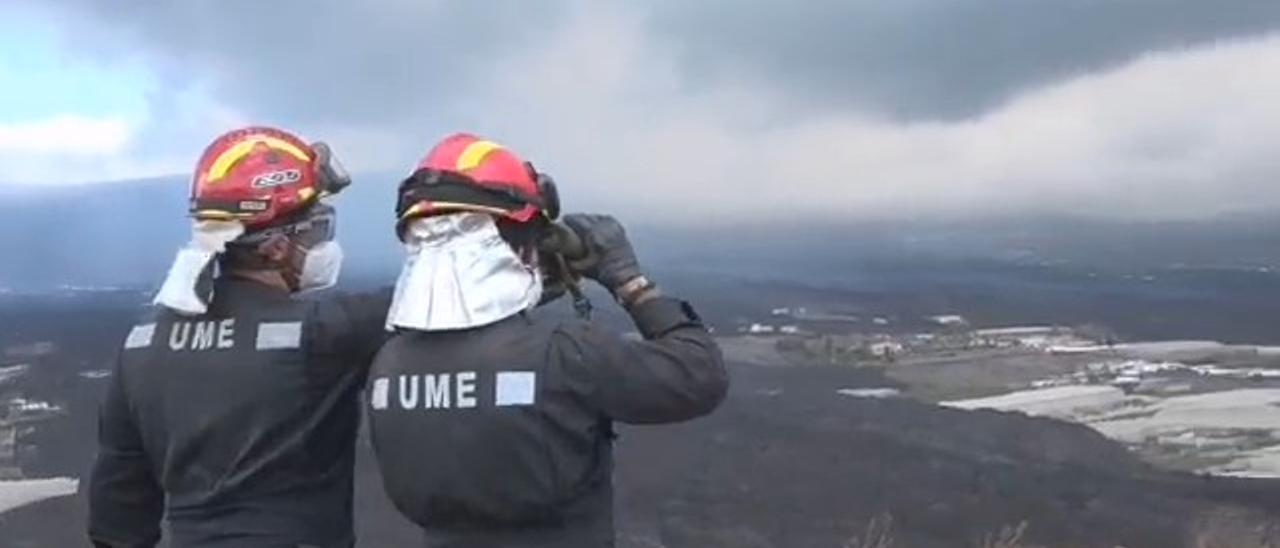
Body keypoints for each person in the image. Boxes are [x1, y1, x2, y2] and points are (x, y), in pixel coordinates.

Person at [366, 133, 729, 547]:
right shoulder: (564, 353)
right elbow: (699, 376)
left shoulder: (388, 364)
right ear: (517, 237)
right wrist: (631, 283)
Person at [87, 127, 389, 548]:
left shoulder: (141, 343)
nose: (320, 244)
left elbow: (117, 512)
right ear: (276, 248)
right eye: (313, 229)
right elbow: (434, 298)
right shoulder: (324, 331)